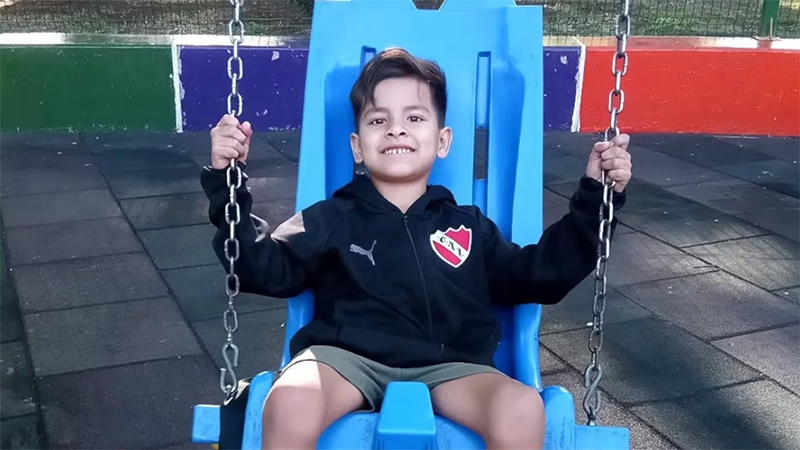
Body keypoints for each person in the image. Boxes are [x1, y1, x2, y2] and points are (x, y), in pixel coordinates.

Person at [201, 47, 632, 450]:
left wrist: (597, 198)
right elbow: (262, 267)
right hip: (346, 360)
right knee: (291, 399)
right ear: (357, 146)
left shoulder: (468, 226)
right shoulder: (330, 218)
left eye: (414, 117)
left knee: (521, 407)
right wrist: (227, 184)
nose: (396, 128)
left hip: (453, 365)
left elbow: (540, 275)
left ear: (442, 141)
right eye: (377, 120)